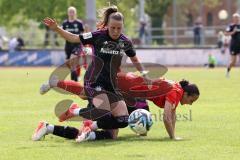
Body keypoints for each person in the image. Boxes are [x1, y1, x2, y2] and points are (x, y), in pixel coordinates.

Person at [42, 5, 150, 141]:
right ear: (108, 25)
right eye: (113, 28)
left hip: (111, 85)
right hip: (94, 82)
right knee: (104, 114)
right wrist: (57, 29)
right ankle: (77, 117)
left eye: (119, 28)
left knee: (123, 120)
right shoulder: (98, 35)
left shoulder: (125, 42)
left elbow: (134, 59)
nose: (116, 31)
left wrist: (145, 74)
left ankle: (84, 126)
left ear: (122, 27)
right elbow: (75, 38)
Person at [34, 72, 199, 141]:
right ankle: (79, 115)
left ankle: (53, 127)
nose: (190, 104)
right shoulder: (176, 92)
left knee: (112, 134)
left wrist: (144, 130)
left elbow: (172, 114)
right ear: (187, 94)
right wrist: (172, 137)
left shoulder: (176, 88)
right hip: (122, 86)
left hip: (130, 93)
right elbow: (167, 117)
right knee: (88, 94)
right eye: (192, 101)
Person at [62, 6, 84, 81]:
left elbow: (83, 34)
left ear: (75, 13)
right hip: (68, 45)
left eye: (73, 12)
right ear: (68, 13)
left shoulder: (79, 23)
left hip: (77, 45)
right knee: (69, 63)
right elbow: (62, 33)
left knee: (72, 60)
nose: (71, 13)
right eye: (70, 12)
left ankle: (75, 79)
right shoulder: (65, 23)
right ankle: (75, 78)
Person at [225, 13, 240, 78]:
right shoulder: (231, 26)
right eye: (235, 18)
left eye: (237, 18)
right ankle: (227, 72)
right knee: (233, 62)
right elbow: (226, 33)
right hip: (234, 45)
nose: (237, 19)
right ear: (233, 19)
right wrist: (233, 32)